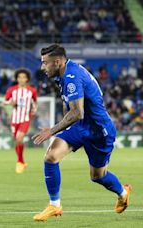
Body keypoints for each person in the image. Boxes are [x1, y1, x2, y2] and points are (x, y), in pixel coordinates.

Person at [31, 44, 132, 221]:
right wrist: (64, 128)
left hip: (99, 131)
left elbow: (78, 112)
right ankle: (54, 205)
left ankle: (123, 193)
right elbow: (68, 104)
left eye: (45, 63)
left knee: (98, 176)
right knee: (51, 157)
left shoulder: (72, 76)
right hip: (80, 126)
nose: (42, 67)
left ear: (57, 62)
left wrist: (52, 131)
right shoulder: (62, 73)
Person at [3, 68, 37, 174]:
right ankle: (22, 161)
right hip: (15, 119)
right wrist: (10, 103)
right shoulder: (11, 90)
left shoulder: (32, 91)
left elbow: (35, 103)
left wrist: (34, 110)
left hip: (25, 119)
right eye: (19, 77)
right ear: (17, 79)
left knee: (19, 138)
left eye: (24, 77)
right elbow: (5, 101)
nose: (22, 79)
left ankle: (19, 162)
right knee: (16, 141)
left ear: (27, 79)